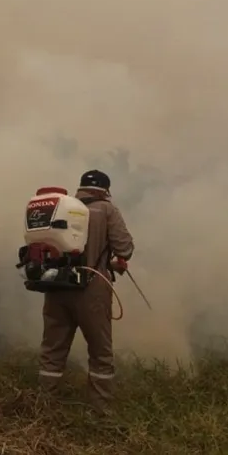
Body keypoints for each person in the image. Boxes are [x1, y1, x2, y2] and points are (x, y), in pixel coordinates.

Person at [37, 169, 135, 414]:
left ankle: (44, 406)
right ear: (106, 190)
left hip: (56, 287)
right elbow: (125, 248)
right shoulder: (106, 209)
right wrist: (113, 262)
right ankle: (101, 413)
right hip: (91, 290)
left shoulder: (62, 208)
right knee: (100, 353)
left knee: (52, 351)